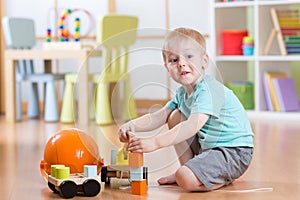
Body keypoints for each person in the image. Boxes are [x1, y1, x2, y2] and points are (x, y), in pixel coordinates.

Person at [118, 27, 254, 191]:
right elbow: (160, 116)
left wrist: (155, 142)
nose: (182, 63)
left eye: (189, 57)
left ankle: (215, 177)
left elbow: (192, 126)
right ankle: (191, 168)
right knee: (175, 115)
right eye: (174, 60)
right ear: (167, 67)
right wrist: (131, 125)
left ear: (204, 61)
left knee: (185, 178)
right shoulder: (183, 93)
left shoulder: (210, 90)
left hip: (234, 152)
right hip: (209, 149)